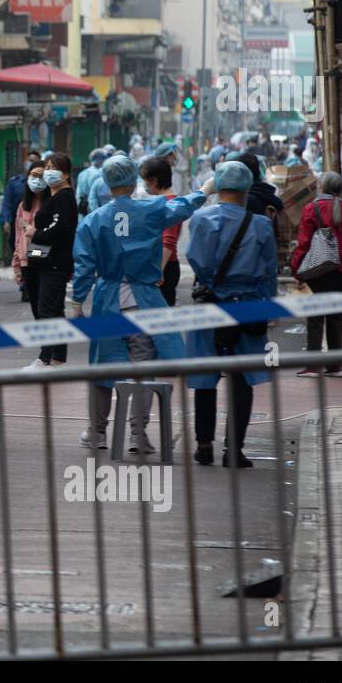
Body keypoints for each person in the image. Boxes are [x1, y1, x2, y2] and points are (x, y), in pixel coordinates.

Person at [69, 154, 209, 453]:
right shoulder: (151, 209)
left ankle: (97, 432)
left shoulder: (94, 220)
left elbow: (83, 265)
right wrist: (205, 190)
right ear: (134, 181)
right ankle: (136, 433)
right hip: (143, 300)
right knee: (144, 369)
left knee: (102, 368)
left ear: (106, 183)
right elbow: (182, 207)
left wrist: (77, 301)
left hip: (108, 301)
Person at [185, 161, 278, 467]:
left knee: (205, 377)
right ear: (246, 189)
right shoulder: (261, 224)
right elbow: (269, 272)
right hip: (248, 306)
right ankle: (234, 450)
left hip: (209, 305)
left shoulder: (200, 219)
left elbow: (197, 261)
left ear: (218, 185)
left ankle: (204, 445)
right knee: (241, 379)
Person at [290, 171, 342, 375]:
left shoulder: (311, 209)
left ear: (321, 187)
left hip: (318, 270)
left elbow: (303, 244)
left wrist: (297, 270)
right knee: (337, 319)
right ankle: (335, 365)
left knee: (315, 318)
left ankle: (313, 364)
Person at [23, 153, 77, 369]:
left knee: (46, 309)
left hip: (55, 261)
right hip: (42, 258)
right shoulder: (53, 197)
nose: (48, 171)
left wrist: (35, 233)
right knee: (53, 309)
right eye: (46, 167)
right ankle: (58, 356)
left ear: (65, 174)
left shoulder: (64, 197)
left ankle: (44, 358)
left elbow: (59, 228)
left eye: (53, 167)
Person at [140, 156, 182, 306]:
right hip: (162, 265)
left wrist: (158, 272)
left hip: (164, 267)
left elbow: (169, 241)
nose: (144, 185)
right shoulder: (167, 201)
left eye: (145, 180)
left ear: (154, 181)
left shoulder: (170, 204)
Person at [1, 148, 42, 280]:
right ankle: (25, 283)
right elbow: (7, 202)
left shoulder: (47, 202)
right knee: (19, 247)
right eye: (29, 161)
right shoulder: (15, 184)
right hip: (21, 232)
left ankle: (33, 276)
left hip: (39, 243)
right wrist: (6, 220)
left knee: (35, 263)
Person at [11, 159, 47, 307]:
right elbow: (19, 237)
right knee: (34, 304)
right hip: (27, 262)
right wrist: (17, 262)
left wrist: (33, 255)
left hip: (44, 260)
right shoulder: (22, 206)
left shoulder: (50, 204)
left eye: (41, 176)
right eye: (33, 176)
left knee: (45, 303)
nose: (36, 180)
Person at [76, 148, 108, 217]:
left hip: (82, 207)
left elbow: (78, 194)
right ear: (100, 160)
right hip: (93, 208)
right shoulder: (98, 174)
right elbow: (95, 196)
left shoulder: (82, 173)